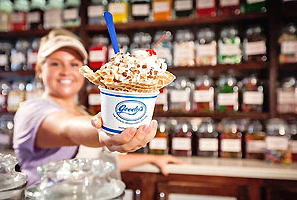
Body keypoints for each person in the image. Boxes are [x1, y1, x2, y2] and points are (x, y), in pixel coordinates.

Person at [13, 29, 182, 186]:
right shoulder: (32, 111)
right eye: (55, 64)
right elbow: (68, 128)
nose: (66, 71)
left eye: (74, 64)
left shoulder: (83, 111)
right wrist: (103, 131)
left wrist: (150, 159)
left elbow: (101, 161)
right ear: (40, 69)